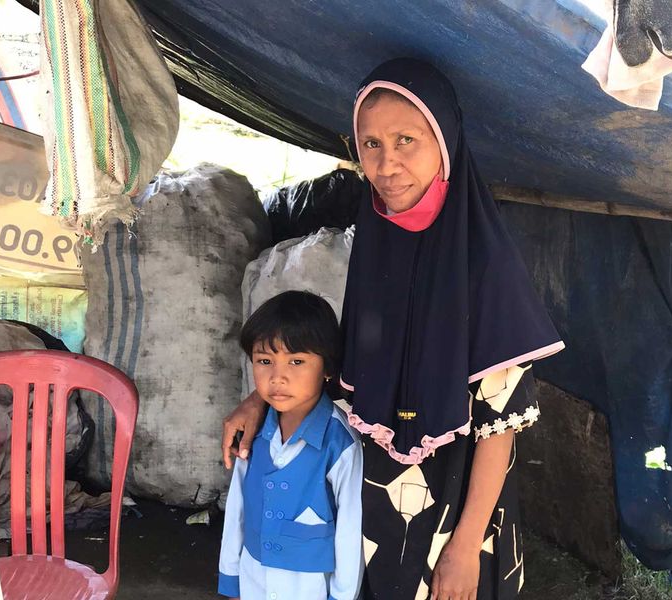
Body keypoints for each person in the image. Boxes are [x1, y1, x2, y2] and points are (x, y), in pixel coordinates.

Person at [223, 58, 564, 600]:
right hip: (377, 506)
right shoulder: (377, 246)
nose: (386, 165)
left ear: (446, 144)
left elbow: (500, 428)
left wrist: (465, 547)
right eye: (371, 144)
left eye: (407, 140)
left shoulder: (485, 266)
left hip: (458, 512)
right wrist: (261, 402)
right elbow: (344, 372)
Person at [218, 291, 363, 600]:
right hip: (253, 578)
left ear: (327, 368)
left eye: (297, 361)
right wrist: (231, 580)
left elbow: (350, 530)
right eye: (264, 361)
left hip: (309, 587)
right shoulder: (253, 432)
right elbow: (237, 510)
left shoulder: (340, 443)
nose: (278, 377)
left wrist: (342, 596)